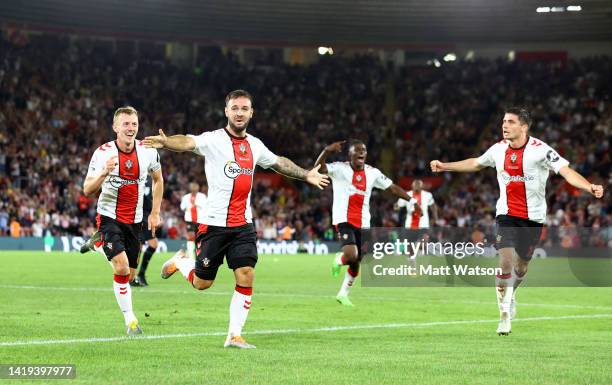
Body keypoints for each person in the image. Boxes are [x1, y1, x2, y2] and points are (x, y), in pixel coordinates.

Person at [143, 89, 329, 349]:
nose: (239, 113)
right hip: (214, 224)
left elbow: (279, 163)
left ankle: (234, 334)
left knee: (246, 274)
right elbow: (188, 142)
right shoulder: (214, 139)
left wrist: (306, 174)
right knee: (202, 283)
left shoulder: (255, 145)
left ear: (251, 113)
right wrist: (167, 143)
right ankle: (181, 262)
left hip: (243, 224)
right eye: (235, 108)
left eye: (244, 109)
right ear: (226, 111)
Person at [430, 107, 604, 336]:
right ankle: (503, 315)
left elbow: (566, 172)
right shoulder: (497, 149)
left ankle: (511, 295)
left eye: (511, 122)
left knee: (521, 268)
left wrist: (589, 186)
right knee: (505, 262)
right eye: (504, 121)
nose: (505, 125)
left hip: (533, 218)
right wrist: (445, 166)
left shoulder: (541, 150)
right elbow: (476, 163)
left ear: (524, 127)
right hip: (506, 215)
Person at [83, 106, 164, 335]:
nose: (130, 128)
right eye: (126, 124)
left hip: (135, 220)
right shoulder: (102, 153)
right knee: (119, 268)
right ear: (115, 127)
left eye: (134, 124)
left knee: (128, 274)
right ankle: (131, 322)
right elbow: (87, 189)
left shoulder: (148, 152)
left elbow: (158, 180)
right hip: (109, 216)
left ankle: (98, 246)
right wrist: (103, 174)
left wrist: (155, 212)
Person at [314, 140, 420, 306]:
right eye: (357, 150)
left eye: (363, 150)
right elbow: (318, 169)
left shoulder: (373, 172)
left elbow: (392, 188)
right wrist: (326, 150)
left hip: (363, 222)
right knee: (350, 255)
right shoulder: (340, 168)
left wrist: (412, 200)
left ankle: (343, 294)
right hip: (344, 219)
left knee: (358, 262)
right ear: (350, 155)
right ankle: (340, 259)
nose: (361, 153)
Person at [131, 175, 161, 287]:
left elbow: (154, 197)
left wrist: (155, 213)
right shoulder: (135, 176)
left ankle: (140, 275)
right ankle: (132, 277)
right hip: (137, 214)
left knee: (152, 244)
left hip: (147, 215)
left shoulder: (151, 179)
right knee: (138, 246)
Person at [180, 182, 207, 259]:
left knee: (199, 238)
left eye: (195, 189)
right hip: (189, 220)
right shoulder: (186, 197)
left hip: (200, 220)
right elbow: (182, 207)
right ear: (190, 189)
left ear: (197, 189)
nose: (194, 190)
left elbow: (206, 207)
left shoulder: (202, 196)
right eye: (192, 189)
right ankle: (191, 256)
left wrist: (197, 205)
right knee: (191, 236)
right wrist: (188, 208)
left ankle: (198, 255)